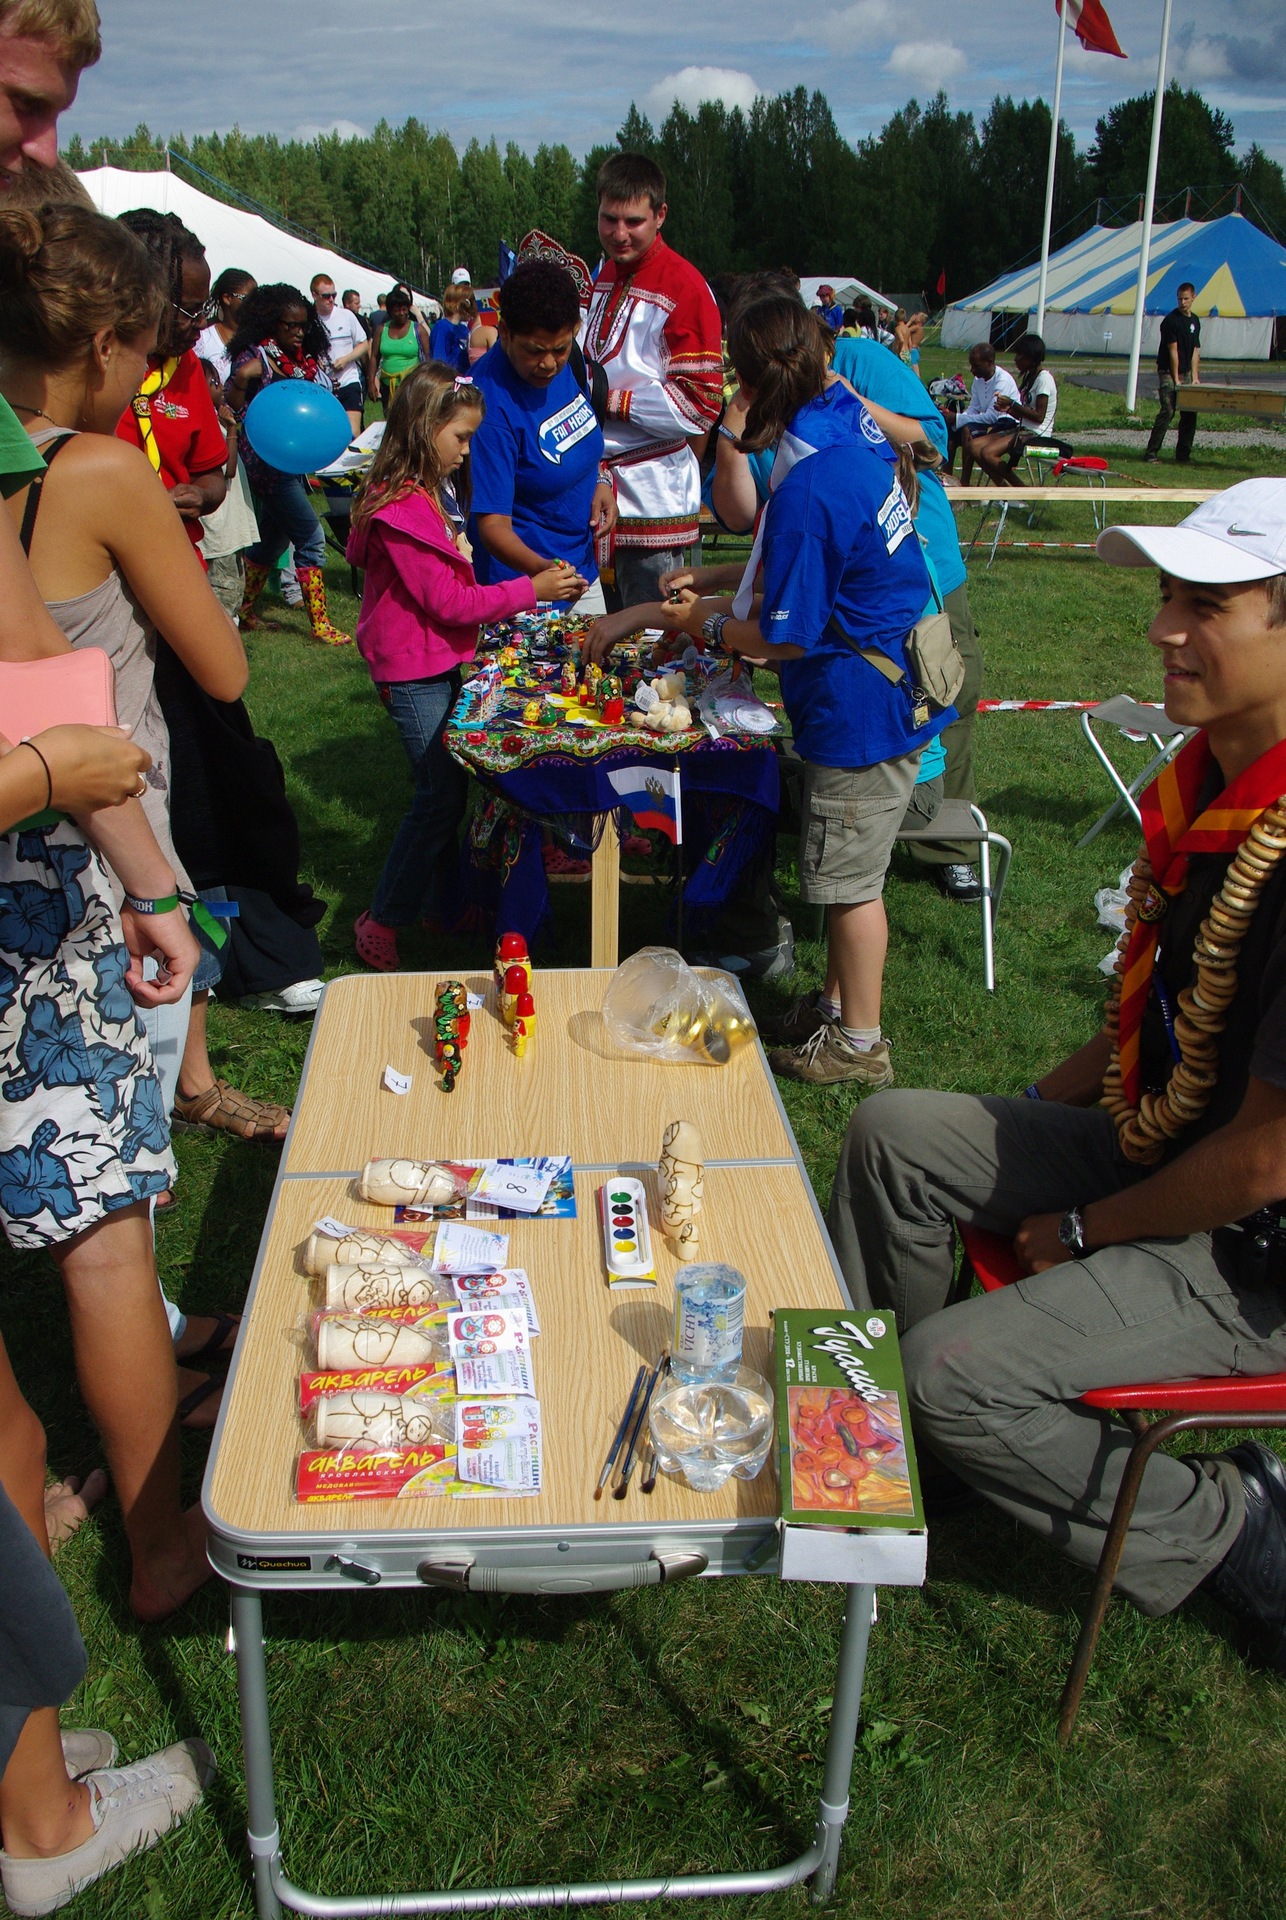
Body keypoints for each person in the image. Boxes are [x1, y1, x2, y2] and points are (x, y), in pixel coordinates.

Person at [827, 479, 1286, 1668]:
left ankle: (1233, 1531)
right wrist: (1021, 1125)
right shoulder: (1215, 785)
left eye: (1204, 606)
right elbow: (1165, 1018)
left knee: (951, 1372)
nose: (1161, 630)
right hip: (1167, 1150)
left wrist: (1083, 1228)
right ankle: (911, 1442)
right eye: (1165, 597)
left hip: (1254, 1252)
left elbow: (1262, 1162)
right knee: (894, 1133)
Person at [0, 200, 265, 1409]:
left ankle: (153, 1333)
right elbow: (226, 666)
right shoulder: (99, 470)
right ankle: (148, 1385)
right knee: (118, 1168)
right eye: (145, 357)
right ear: (103, 344)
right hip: (100, 844)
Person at [587, 291, 951, 1085]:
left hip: (861, 711)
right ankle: (833, 1013)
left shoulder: (810, 483)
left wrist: (707, 624)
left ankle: (860, 1047)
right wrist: (718, 585)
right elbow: (801, 570)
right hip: (885, 689)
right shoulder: (844, 420)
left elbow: (784, 636)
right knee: (852, 875)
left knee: (851, 889)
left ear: (747, 387)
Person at [0, 720, 213, 1918]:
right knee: (105, 1249)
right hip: (21, 920)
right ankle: (42, 1822)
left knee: (12, 1432)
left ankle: (23, 1735)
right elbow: (49, 698)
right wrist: (47, 780)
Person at [347, 364, 580, 972]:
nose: (467, 451)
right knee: (437, 798)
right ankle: (383, 917)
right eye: (461, 437)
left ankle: (444, 904)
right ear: (425, 428)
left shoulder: (425, 496)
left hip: (433, 660)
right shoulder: (403, 510)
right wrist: (530, 590)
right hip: (411, 671)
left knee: (449, 789)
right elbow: (448, 602)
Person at [831, 328, 986, 902]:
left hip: (926, 561)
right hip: (852, 578)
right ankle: (866, 826)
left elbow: (934, 440)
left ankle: (951, 847)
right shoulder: (764, 391)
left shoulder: (859, 359)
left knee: (949, 686)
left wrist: (847, 395)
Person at [582, 151, 722, 612]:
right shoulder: (605, 274)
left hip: (652, 492)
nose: (619, 233)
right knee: (594, 634)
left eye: (633, 221)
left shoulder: (685, 286)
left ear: (660, 215)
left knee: (652, 631)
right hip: (593, 484)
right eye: (609, 219)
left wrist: (611, 399)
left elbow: (700, 404)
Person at [468, 257, 614, 617]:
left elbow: (578, 438)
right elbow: (492, 526)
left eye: (560, 349)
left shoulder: (566, 364)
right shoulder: (487, 406)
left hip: (579, 570)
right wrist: (544, 571)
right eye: (534, 351)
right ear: (504, 332)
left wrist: (600, 481)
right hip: (523, 591)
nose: (549, 363)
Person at [224, 280, 350, 645]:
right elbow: (231, 406)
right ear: (270, 323)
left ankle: (244, 611)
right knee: (311, 536)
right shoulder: (254, 356)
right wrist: (241, 378)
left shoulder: (303, 359)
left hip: (293, 463)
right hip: (265, 464)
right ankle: (319, 625)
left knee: (272, 539)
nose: (297, 332)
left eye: (302, 325)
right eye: (289, 325)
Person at [112, 207, 228, 550]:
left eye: (206, 308)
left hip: (175, 552)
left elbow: (211, 473)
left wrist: (201, 495)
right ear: (145, 298)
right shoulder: (91, 363)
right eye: (189, 310)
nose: (202, 322)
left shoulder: (186, 365)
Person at [196, 354, 258, 620]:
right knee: (224, 596)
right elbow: (227, 469)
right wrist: (232, 429)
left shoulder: (213, 421)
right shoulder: (207, 425)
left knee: (233, 589)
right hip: (219, 532)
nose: (221, 388)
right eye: (214, 383)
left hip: (229, 529)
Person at [972, 332, 1058, 487]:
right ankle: (1005, 489)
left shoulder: (1044, 379)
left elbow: (1039, 416)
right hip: (1023, 428)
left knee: (987, 453)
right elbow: (1024, 415)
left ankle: (1021, 490)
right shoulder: (1029, 377)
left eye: (1019, 356)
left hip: (1037, 433)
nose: (1015, 359)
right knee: (974, 447)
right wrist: (1008, 409)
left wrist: (1012, 404)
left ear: (1031, 357)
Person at [1145, 281, 1201, 465]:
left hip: (1186, 371)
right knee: (1168, 410)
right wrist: (1176, 378)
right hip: (1168, 371)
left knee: (1189, 412)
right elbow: (1173, 351)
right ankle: (1151, 453)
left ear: (1193, 298)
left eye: (1186, 299)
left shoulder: (1195, 321)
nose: (1183, 302)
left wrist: (1195, 377)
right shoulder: (1171, 321)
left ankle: (1183, 454)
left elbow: (1195, 351)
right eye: (1180, 299)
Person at [950, 342, 1020, 481]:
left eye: (976, 366)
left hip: (1005, 422)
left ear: (990, 362)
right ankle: (947, 479)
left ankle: (964, 483)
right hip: (989, 421)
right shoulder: (978, 380)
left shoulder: (1002, 380)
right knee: (950, 431)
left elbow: (992, 416)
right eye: (971, 365)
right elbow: (974, 408)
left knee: (967, 431)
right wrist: (958, 418)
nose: (972, 370)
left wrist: (958, 418)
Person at [311, 271, 368, 434]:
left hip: (348, 380)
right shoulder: (310, 319)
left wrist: (347, 359)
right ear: (314, 295)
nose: (331, 299)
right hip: (322, 385)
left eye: (334, 295)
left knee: (352, 433)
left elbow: (364, 344)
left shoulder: (346, 315)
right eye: (326, 296)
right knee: (327, 434)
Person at [369, 283, 431, 411]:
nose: (401, 313)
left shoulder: (418, 330)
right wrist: (371, 383)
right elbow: (374, 357)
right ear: (390, 311)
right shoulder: (382, 329)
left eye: (404, 309)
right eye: (397, 310)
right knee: (390, 418)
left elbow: (428, 357)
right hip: (387, 387)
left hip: (411, 387)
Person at [195, 265, 255, 388]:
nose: (253, 304)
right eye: (247, 298)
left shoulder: (257, 342)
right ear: (227, 298)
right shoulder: (203, 340)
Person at [428, 282, 470, 375]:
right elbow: (439, 362)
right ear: (458, 305)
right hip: (449, 379)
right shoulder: (442, 327)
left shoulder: (464, 329)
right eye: (468, 303)